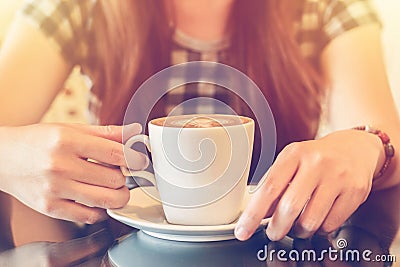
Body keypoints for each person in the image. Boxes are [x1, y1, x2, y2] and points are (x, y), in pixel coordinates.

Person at [0, 0, 398, 244]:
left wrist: (368, 146)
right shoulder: (79, 6)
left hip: (275, 247)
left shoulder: (323, 7)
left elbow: (382, 135)